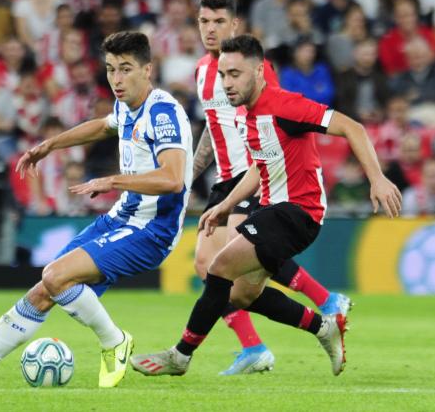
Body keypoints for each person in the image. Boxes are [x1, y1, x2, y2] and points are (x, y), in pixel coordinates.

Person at [0, 31, 194, 388]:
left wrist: (111, 182)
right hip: (121, 219)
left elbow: (173, 178)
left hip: (152, 230)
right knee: (44, 288)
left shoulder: (162, 112)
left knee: (55, 276)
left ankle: (115, 342)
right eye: (111, 69)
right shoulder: (127, 106)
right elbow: (101, 126)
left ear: (148, 70)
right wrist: (49, 145)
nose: (116, 78)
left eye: (126, 69)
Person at [131, 34, 402, 377]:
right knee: (242, 296)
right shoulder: (247, 114)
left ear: (259, 72)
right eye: (224, 75)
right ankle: (323, 327)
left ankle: (180, 355)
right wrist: (226, 204)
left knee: (219, 266)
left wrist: (376, 178)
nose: (227, 83)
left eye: (236, 74)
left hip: (299, 212)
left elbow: (353, 127)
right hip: (271, 211)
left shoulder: (287, 106)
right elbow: (261, 167)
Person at [190, 0, 351, 376]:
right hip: (224, 178)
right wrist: (189, 174)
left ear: (234, 26)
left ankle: (310, 314)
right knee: (211, 267)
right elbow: (214, 129)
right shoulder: (200, 72)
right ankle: (314, 312)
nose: (210, 29)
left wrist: (271, 176)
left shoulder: (255, 70)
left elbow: (278, 116)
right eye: (204, 22)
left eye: (218, 22)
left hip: (255, 175)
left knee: (228, 268)